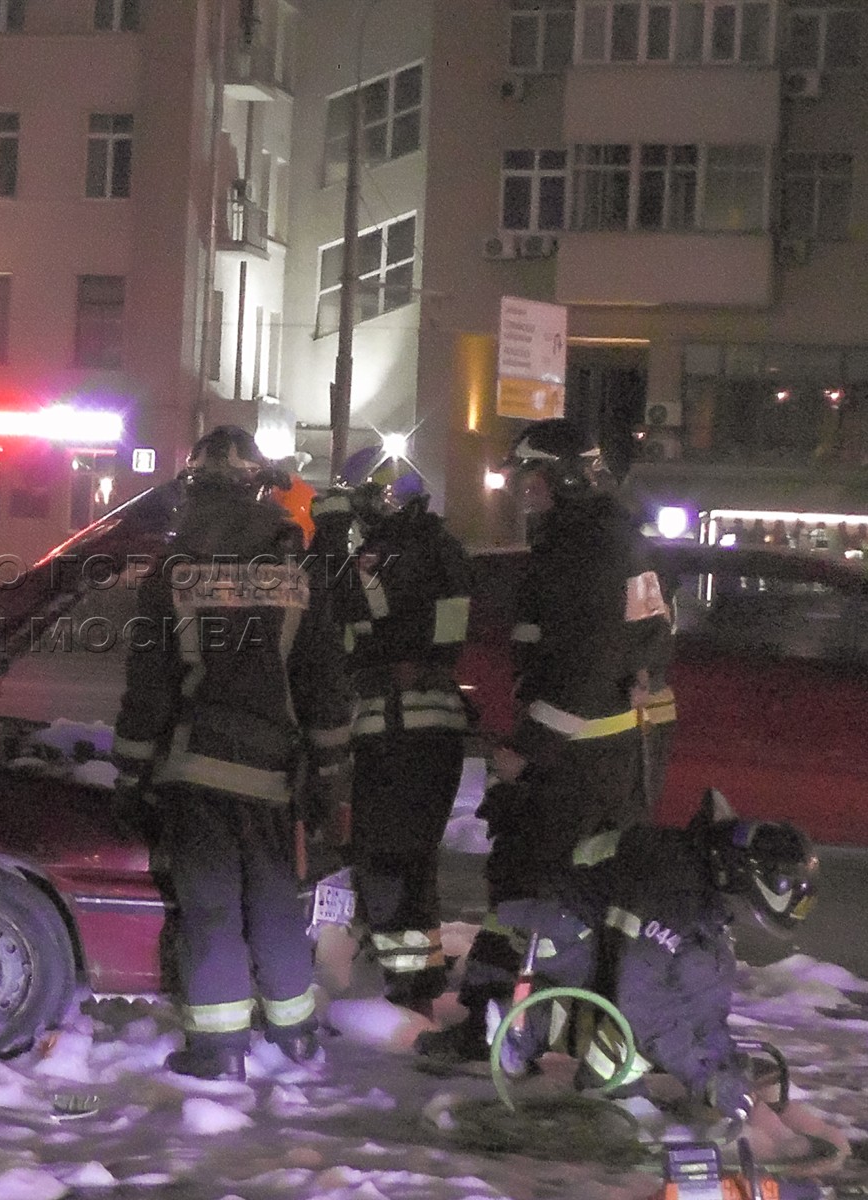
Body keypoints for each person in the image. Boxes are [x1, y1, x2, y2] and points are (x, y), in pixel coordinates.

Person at [420, 417, 677, 1062]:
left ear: (558, 478)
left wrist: (527, 749)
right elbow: (641, 647)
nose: (519, 490)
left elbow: (583, 666)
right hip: (613, 756)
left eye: (528, 477)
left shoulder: (585, 548)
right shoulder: (609, 537)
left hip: (582, 759)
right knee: (574, 889)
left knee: (528, 886)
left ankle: (495, 1027)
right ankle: (563, 1026)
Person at [113, 425, 354, 1082]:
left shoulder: (172, 574)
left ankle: (219, 1050)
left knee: (211, 907)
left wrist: (129, 766)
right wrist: (328, 767)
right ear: (257, 490)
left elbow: (150, 683)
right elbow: (322, 679)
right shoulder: (295, 574)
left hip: (197, 772)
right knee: (275, 900)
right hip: (274, 776)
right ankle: (295, 1033)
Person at [493, 790, 817, 1121]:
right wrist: (703, 1077)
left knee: (681, 986)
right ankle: (552, 1045)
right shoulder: (672, 887)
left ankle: (567, 1047)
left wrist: (721, 1062)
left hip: (594, 918)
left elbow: (703, 997)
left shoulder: (705, 887)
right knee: (644, 1016)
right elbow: (641, 1000)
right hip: (552, 921)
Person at [327, 452, 476, 1018]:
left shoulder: (399, 556)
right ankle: (420, 973)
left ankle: (409, 988)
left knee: (387, 858)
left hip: (401, 732)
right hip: (417, 733)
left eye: (360, 496)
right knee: (409, 860)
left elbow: (376, 632)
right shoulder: (432, 550)